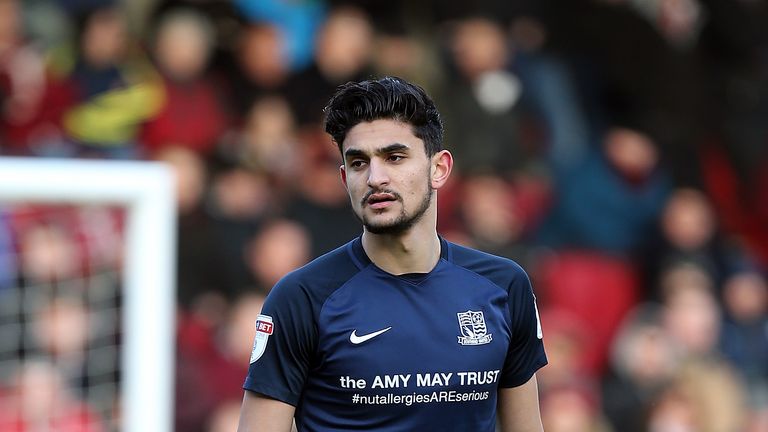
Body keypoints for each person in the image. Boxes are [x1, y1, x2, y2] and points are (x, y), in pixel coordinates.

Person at [237, 76, 547, 431]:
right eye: (358, 163)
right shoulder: (302, 298)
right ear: (344, 179)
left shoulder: (504, 285)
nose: (375, 177)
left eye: (394, 157)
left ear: (439, 168)